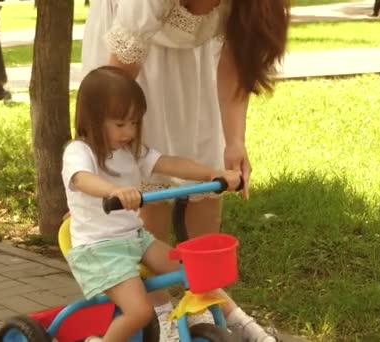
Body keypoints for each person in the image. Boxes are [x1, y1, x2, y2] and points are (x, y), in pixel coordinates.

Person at [63, 66, 277, 342]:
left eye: (134, 123)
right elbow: (82, 179)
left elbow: (169, 163)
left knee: (194, 272)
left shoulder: (129, 152)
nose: (129, 131)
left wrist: (212, 173)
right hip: (98, 250)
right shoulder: (79, 151)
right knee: (139, 312)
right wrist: (114, 190)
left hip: (134, 239)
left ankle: (243, 327)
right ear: (93, 119)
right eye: (120, 124)